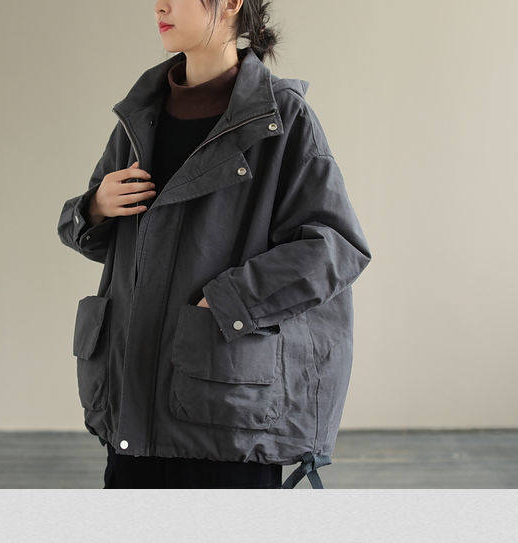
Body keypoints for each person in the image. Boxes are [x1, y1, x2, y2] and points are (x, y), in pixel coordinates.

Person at [57, 0, 372, 489]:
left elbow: (336, 246)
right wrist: (95, 207)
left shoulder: (280, 117)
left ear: (230, 4)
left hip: (225, 408)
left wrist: (231, 300)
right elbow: (119, 248)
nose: (159, 5)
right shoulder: (141, 115)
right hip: (133, 401)